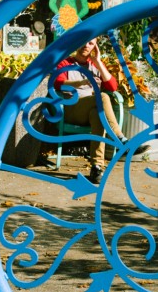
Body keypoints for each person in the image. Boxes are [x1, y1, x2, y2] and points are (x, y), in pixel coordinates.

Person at [53, 38, 146, 183]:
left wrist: (97, 62)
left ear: (95, 47)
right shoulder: (66, 62)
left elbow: (112, 87)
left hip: (90, 110)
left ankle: (96, 167)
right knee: (102, 97)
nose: (86, 45)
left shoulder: (94, 65)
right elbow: (58, 84)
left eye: (90, 43)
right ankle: (121, 139)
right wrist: (83, 82)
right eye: (84, 42)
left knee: (98, 115)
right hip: (72, 108)